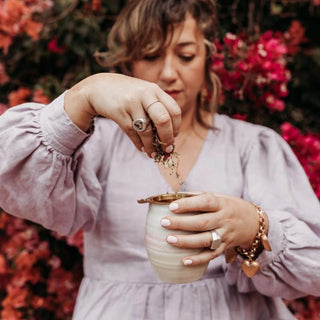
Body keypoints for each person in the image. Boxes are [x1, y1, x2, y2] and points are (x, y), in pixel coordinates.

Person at [0, 0, 319, 319]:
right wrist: (85, 94)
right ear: (129, 65)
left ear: (207, 56)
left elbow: (314, 270)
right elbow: (12, 177)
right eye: (151, 56)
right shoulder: (96, 145)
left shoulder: (252, 146)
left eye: (186, 55)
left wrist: (255, 226)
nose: (169, 73)